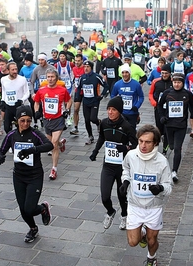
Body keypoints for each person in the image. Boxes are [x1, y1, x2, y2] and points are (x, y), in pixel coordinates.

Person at [0, 105, 53, 242]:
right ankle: (33, 229)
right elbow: (1, 150)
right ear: (17, 120)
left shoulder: (34, 134)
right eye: (22, 120)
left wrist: (32, 150)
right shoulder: (11, 135)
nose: (26, 123)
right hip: (19, 176)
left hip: (35, 176)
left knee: (30, 208)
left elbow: (49, 145)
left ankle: (43, 209)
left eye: (28, 120)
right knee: (23, 210)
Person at [120, 124, 172, 266]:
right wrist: (125, 182)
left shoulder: (162, 162)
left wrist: (160, 187)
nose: (143, 145)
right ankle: (141, 231)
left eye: (148, 142)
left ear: (155, 143)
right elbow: (125, 169)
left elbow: (169, 186)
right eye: (141, 141)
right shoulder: (131, 156)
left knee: (152, 240)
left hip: (153, 207)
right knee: (132, 242)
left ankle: (151, 257)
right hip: (135, 205)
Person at [89, 96, 137, 230]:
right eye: (108, 109)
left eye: (113, 109)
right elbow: (102, 138)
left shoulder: (127, 126)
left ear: (119, 111)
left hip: (123, 167)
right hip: (108, 165)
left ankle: (124, 215)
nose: (110, 112)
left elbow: (136, 145)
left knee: (122, 195)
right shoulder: (104, 123)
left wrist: (126, 148)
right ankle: (110, 211)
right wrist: (95, 151)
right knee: (105, 196)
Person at [157, 73, 193, 182]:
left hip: (181, 126)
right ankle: (169, 145)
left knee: (177, 148)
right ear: (172, 82)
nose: (176, 84)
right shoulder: (167, 93)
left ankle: (174, 171)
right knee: (171, 146)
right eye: (175, 82)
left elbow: (192, 106)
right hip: (169, 125)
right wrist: (162, 117)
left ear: (182, 83)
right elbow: (159, 106)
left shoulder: (187, 94)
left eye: (179, 82)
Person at [33, 69, 72, 180]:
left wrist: (67, 110)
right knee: (52, 143)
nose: (50, 79)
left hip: (58, 119)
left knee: (53, 144)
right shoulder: (41, 90)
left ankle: (54, 169)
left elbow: (69, 100)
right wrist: (36, 111)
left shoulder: (62, 90)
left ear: (56, 78)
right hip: (47, 120)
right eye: (48, 77)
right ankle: (61, 144)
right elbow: (36, 102)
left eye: (52, 77)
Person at [76, 60, 108, 144]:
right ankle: (90, 136)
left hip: (94, 101)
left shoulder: (97, 77)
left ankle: (98, 122)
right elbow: (78, 87)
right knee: (87, 120)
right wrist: (78, 96)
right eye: (85, 67)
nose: (86, 69)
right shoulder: (82, 78)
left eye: (88, 67)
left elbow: (106, 86)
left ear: (91, 68)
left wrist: (101, 96)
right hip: (86, 102)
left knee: (93, 118)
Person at [148, 64, 172, 155]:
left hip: (169, 110)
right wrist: (154, 103)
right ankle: (156, 145)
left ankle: (165, 150)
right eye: (162, 73)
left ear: (170, 73)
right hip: (158, 109)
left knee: (167, 129)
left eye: (166, 73)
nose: (164, 75)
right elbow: (150, 94)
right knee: (159, 129)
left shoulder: (173, 82)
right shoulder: (156, 82)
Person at [112, 63, 144, 129]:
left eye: (126, 72)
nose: (125, 74)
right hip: (122, 113)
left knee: (131, 131)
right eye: (123, 73)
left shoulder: (136, 84)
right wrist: (116, 105)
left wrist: (136, 106)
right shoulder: (117, 84)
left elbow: (141, 97)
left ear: (129, 73)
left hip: (132, 113)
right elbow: (113, 95)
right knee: (122, 131)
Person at [0, 62, 30, 133]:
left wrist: (21, 100)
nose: (15, 71)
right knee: (7, 128)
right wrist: (3, 100)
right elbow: (4, 91)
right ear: (8, 70)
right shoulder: (3, 79)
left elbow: (27, 92)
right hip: (8, 106)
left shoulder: (22, 79)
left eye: (16, 69)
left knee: (21, 127)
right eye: (12, 70)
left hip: (18, 106)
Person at [19, 53, 39, 128]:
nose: (26, 62)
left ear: (31, 61)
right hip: (26, 89)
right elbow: (20, 77)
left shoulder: (36, 67)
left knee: (35, 104)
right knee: (31, 104)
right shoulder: (23, 68)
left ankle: (38, 119)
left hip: (35, 89)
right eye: (25, 61)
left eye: (27, 61)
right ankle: (34, 120)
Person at [70, 54, 85, 135]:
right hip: (77, 91)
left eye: (79, 61)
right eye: (75, 61)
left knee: (89, 114)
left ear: (82, 60)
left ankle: (97, 122)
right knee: (76, 110)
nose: (77, 62)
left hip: (86, 92)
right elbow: (72, 79)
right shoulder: (74, 69)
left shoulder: (85, 68)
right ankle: (75, 127)